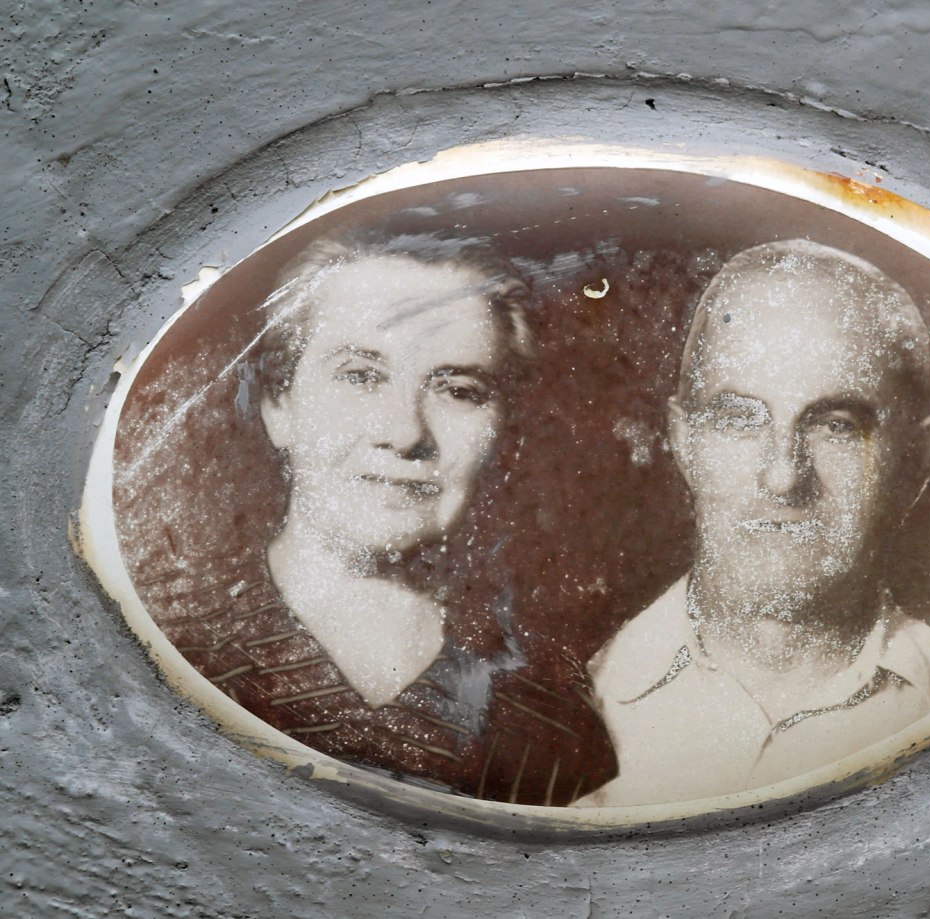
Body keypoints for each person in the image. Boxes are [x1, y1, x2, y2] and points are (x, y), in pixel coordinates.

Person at [160, 233, 616, 806]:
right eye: (360, 376)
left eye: (458, 390)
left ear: (501, 429)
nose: (405, 433)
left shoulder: (551, 718)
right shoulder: (170, 644)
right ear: (279, 405)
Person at [577, 239, 930, 807]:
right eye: (739, 420)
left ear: (916, 461)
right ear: (683, 442)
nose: (783, 476)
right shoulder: (566, 701)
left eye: (836, 426)